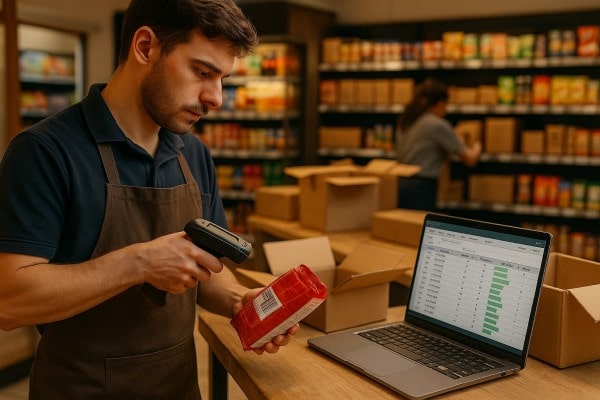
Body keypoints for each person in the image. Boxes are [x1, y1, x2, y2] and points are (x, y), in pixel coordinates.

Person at [0, 0, 298, 398]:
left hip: (179, 387)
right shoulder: (45, 152)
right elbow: (9, 302)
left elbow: (206, 269)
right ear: (145, 47)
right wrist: (139, 263)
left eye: (222, 78)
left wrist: (238, 300)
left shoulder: (194, 155)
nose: (216, 98)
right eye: (202, 72)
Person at [395, 78, 481, 211]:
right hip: (421, 189)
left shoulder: (406, 120)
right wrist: (477, 145)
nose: (446, 110)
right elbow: (469, 159)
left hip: (400, 185)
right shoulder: (436, 124)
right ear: (440, 103)